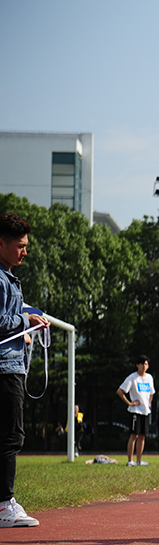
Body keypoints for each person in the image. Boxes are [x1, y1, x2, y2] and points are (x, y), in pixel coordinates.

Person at [0, 212, 48, 527]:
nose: (25, 251)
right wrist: (25, 321)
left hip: (11, 363)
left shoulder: (9, 276)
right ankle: (5, 505)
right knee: (10, 436)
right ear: (0, 243)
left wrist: (25, 333)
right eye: (20, 245)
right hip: (5, 369)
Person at [117, 354, 155, 467]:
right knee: (134, 435)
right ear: (137, 365)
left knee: (142, 436)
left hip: (145, 411)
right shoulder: (132, 378)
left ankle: (139, 460)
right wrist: (129, 403)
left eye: (146, 364)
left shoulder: (149, 378)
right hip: (136, 411)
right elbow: (120, 391)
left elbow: (152, 393)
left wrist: (149, 402)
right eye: (142, 364)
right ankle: (130, 460)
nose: (144, 366)